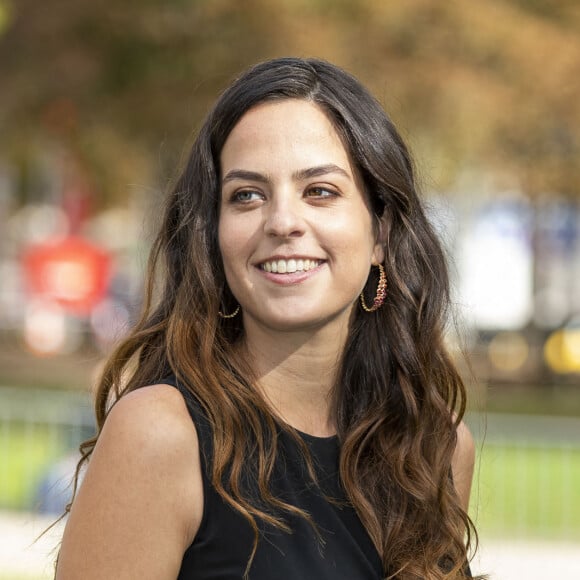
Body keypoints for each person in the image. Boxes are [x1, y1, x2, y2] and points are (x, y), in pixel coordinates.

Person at [55, 57, 478, 579]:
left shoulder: (434, 447)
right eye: (247, 195)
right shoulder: (161, 435)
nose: (282, 222)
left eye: (320, 191)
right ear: (214, 233)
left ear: (381, 233)